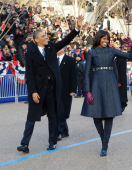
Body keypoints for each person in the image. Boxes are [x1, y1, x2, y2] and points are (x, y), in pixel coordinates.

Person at [17, 15, 84, 153]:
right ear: (36, 40)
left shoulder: (52, 48)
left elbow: (66, 40)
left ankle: (52, 142)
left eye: (46, 35)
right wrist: (33, 92)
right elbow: (29, 74)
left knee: (53, 115)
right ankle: (24, 144)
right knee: (32, 116)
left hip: (52, 88)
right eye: (43, 36)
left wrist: (77, 27)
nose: (46, 37)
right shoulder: (30, 54)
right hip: (38, 89)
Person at [81, 30, 132, 156]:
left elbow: (129, 56)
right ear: (98, 39)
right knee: (96, 116)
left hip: (110, 82)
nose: (106, 41)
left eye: (107, 39)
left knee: (109, 115)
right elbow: (87, 73)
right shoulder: (92, 52)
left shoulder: (112, 50)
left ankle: (104, 145)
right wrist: (87, 91)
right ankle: (103, 139)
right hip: (96, 83)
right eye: (103, 38)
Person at [56, 47, 77, 140]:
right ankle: (65, 131)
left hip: (66, 89)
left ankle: (58, 131)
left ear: (63, 50)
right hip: (54, 89)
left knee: (64, 110)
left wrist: (73, 89)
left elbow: (74, 76)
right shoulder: (52, 59)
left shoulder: (70, 60)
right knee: (57, 110)